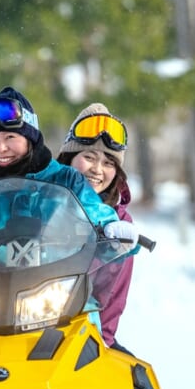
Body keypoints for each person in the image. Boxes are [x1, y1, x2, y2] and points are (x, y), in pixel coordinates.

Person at [0, 87, 138, 249]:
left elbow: (93, 210)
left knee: (85, 317)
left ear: (31, 139)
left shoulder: (66, 180)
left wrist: (111, 227)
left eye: (10, 137)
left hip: (61, 290)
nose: (1, 148)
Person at [57, 102, 134, 352]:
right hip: (25, 316)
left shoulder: (119, 222)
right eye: (89, 157)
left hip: (84, 329)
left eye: (109, 162)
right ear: (70, 159)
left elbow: (112, 297)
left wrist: (103, 342)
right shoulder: (40, 203)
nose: (97, 170)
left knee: (136, 379)